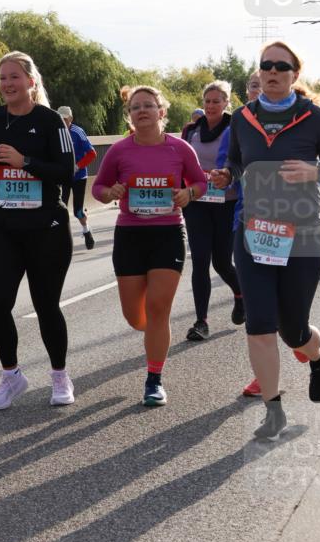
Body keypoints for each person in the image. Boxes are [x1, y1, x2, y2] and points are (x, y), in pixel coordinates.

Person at [211, 40, 320, 441]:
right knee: (259, 326)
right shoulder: (242, 118)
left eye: (280, 66)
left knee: (293, 331)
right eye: (265, 65)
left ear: (294, 75)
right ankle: (273, 410)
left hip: (302, 236)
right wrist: (227, 176)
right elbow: (236, 162)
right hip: (254, 234)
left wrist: (314, 172)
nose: (271, 72)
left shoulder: (312, 117)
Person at [92, 85, 207, 406]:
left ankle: (154, 379)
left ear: (162, 111)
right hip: (130, 235)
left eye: (148, 105)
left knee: (158, 308)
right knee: (135, 317)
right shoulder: (119, 151)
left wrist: (189, 194)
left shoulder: (181, 149)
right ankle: (153, 335)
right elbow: (98, 188)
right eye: (135, 107)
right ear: (129, 116)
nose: (141, 111)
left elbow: (200, 181)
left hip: (167, 233)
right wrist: (110, 192)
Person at [0, 51, 76, 410]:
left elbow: (67, 172)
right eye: (2, 78)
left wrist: (25, 162)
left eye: (14, 77)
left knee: (46, 305)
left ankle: (60, 376)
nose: (6, 84)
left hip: (46, 228)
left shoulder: (50, 122)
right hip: (3, 227)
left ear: (31, 82)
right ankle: (11, 376)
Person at [180, 80, 245, 341]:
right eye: (207, 101)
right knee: (199, 262)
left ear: (227, 103)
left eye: (217, 101)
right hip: (197, 202)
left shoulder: (237, 129)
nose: (210, 106)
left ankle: (241, 296)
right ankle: (201, 321)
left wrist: (228, 176)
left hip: (226, 204)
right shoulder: (191, 130)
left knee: (221, 262)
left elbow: (242, 163)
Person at [56, 106, 97, 249]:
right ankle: (61, 239)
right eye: (60, 119)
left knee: (77, 211)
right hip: (63, 177)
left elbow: (92, 154)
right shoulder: (55, 132)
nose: (62, 122)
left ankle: (86, 231)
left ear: (71, 119)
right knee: (60, 208)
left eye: (65, 119)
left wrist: (77, 166)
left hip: (79, 176)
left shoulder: (77, 132)